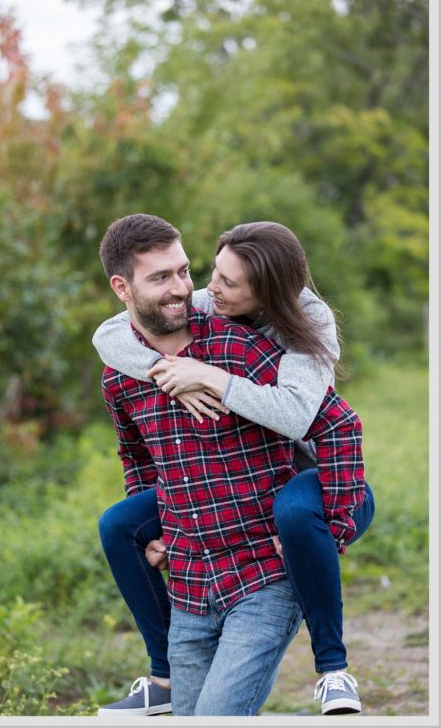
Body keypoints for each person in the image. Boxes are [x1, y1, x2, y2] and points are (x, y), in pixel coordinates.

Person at [93, 220, 375, 715]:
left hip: (308, 494)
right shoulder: (129, 366)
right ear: (122, 287)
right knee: (118, 524)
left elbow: (326, 422)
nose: (193, 289)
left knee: (293, 511)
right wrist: (162, 370)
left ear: (263, 291)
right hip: (194, 576)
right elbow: (138, 453)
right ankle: (161, 678)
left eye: (186, 273)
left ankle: (333, 668)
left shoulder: (266, 339)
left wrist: (212, 378)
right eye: (171, 275)